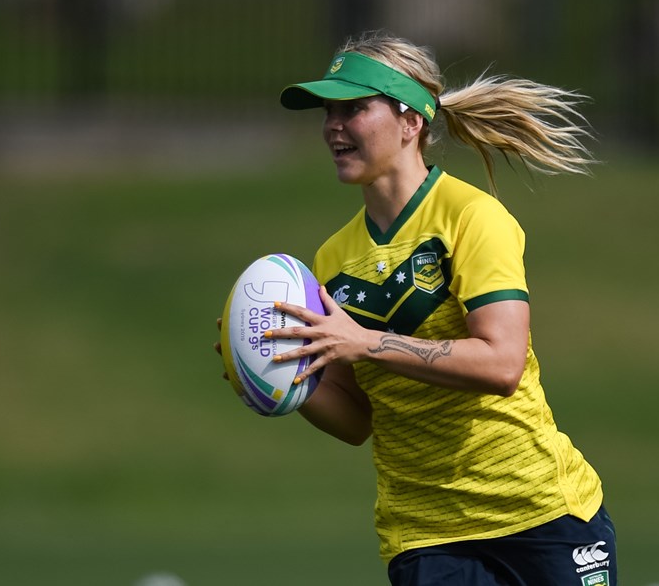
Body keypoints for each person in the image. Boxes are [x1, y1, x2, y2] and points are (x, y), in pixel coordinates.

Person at [229, 31, 614, 586]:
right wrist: (276, 377)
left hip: (539, 514)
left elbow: (501, 363)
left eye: (354, 108)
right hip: (425, 534)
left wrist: (366, 343)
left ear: (410, 121)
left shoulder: (472, 217)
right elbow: (357, 420)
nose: (333, 126)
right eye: (328, 112)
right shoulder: (333, 258)